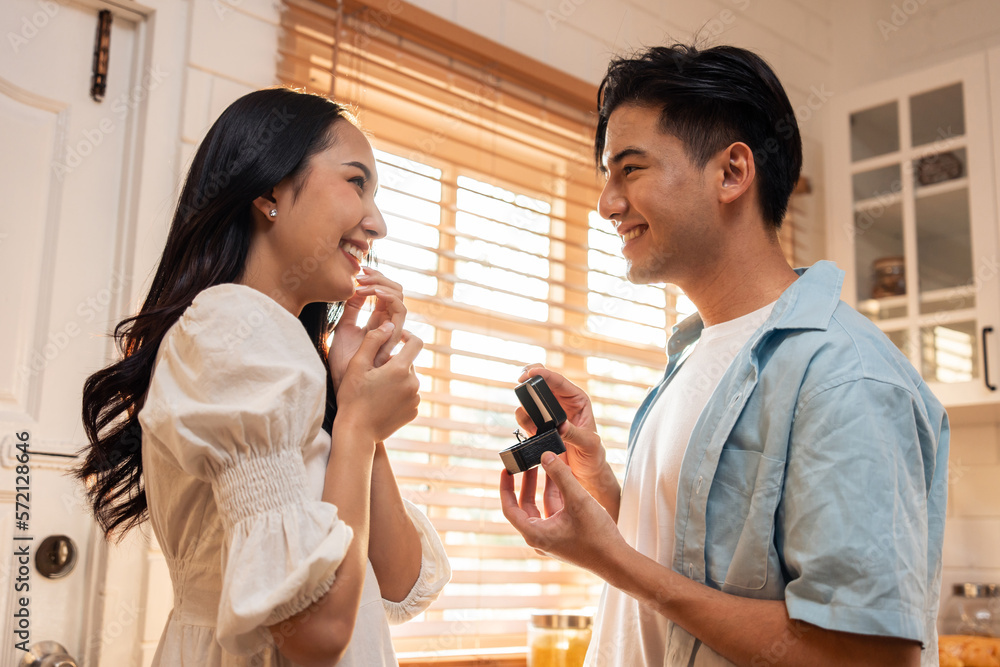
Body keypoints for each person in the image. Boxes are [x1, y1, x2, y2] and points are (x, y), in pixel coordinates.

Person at [500, 44, 949, 667]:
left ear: (733, 172)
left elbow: (865, 657)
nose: (606, 203)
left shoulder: (845, 376)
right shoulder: (692, 355)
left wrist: (613, 563)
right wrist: (600, 481)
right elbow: (687, 558)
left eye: (630, 169)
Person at [77, 88, 450, 666]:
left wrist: (357, 408)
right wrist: (354, 425)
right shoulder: (232, 327)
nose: (377, 223)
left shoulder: (278, 350)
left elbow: (397, 582)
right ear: (270, 189)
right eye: (357, 182)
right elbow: (315, 635)